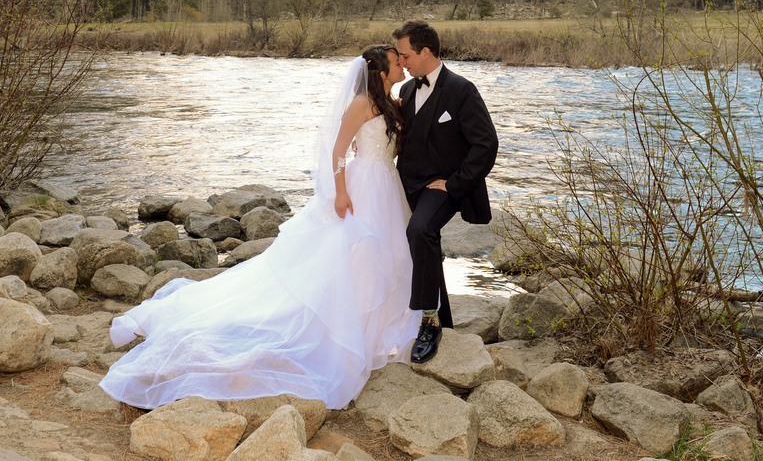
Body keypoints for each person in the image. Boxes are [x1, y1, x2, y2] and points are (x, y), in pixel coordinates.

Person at [99, 45, 421, 410]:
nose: (403, 67)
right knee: (356, 253)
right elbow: (337, 152)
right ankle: (348, 329)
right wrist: (341, 192)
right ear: (381, 72)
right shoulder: (361, 103)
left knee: (388, 255)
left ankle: (378, 329)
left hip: (387, 186)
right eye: (397, 63)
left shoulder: (395, 102)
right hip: (362, 188)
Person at [393, 20, 498, 363]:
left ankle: (429, 323)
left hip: (443, 187)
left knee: (421, 230)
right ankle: (445, 321)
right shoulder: (407, 91)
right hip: (405, 185)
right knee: (409, 244)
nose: (402, 61)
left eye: (406, 55)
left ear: (425, 52)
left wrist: (455, 183)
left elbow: (486, 144)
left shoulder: (461, 90)